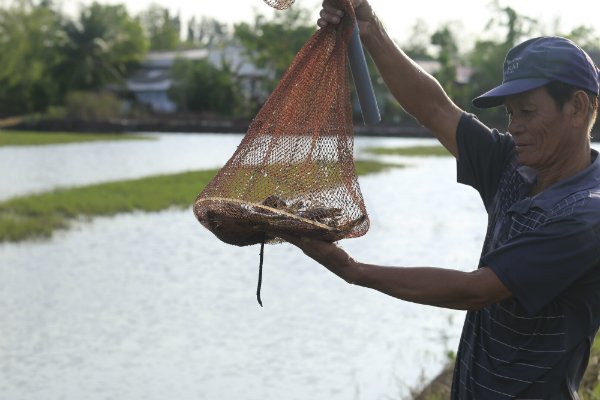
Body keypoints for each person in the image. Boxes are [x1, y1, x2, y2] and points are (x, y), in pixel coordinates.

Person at [283, 0, 600, 398]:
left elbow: (477, 290)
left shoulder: (587, 214)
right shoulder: (514, 164)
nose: (514, 126)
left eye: (527, 112)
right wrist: (369, 28)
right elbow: (433, 108)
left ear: (578, 107)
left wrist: (352, 270)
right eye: (509, 113)